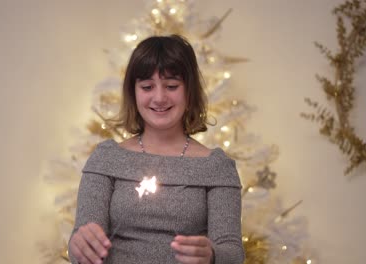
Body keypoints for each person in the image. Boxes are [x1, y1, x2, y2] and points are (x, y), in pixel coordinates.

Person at [68, 34, 245, 264]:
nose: (159, 97)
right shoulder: (106, 159)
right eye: (147, 86)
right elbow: (79, 246)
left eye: (171, 86)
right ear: (134, 92)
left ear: (189, 92)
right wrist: (79, 245)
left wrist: (212, 255)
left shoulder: (216, 167)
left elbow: (232, 253)